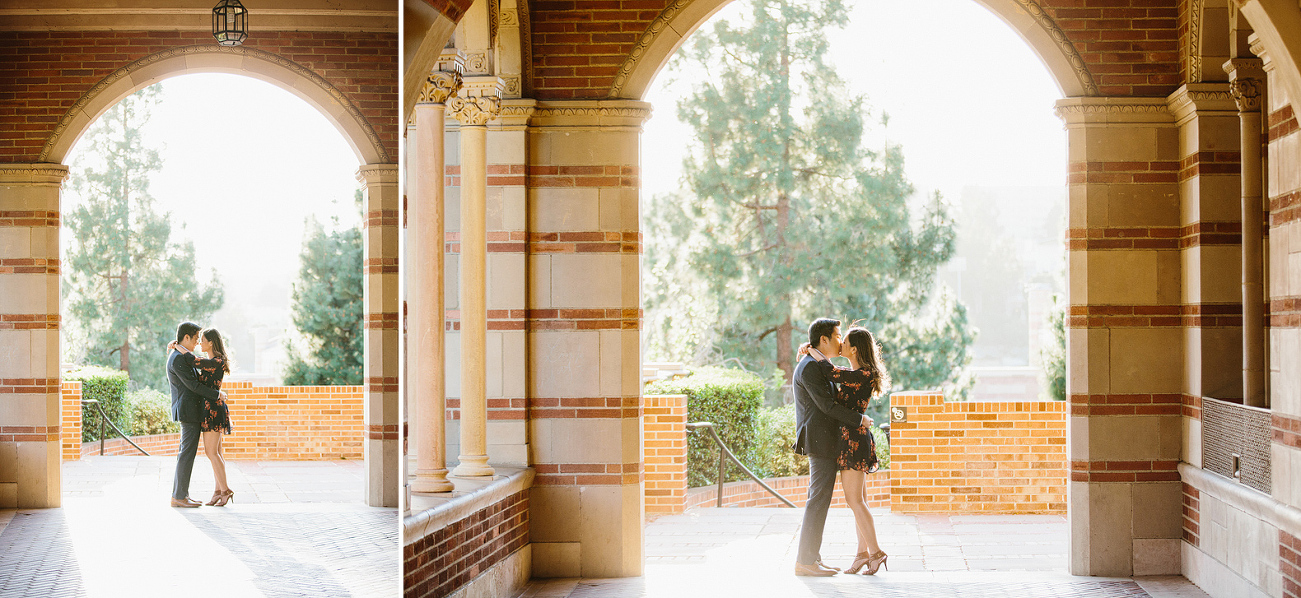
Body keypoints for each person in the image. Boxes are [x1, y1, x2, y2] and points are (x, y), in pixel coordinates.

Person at [802, 326, 891, 575]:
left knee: (855, 501)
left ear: (854, 348)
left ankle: (875, 553)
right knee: (859, 501)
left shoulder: (863, 374)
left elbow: (830, 372)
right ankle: (862, 554)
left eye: (845, 340)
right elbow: (833, 371)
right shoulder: (858, 373)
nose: (839, 344)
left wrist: (811, 351)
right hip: (851, 438)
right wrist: (810, 349)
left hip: (854, 440)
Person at [170, 328, 235, 506]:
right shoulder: (211, 361)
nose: (199, 343)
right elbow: (194, 361)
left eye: (203, 340)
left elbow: (192, 360)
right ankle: (217, 492)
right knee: (217, 453)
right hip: (209, 409)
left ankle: (225, 490)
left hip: (214, 409)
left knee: (211, 452)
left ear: (211, 342)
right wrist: (177, 347)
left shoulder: (216, 361)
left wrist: (177, 347)